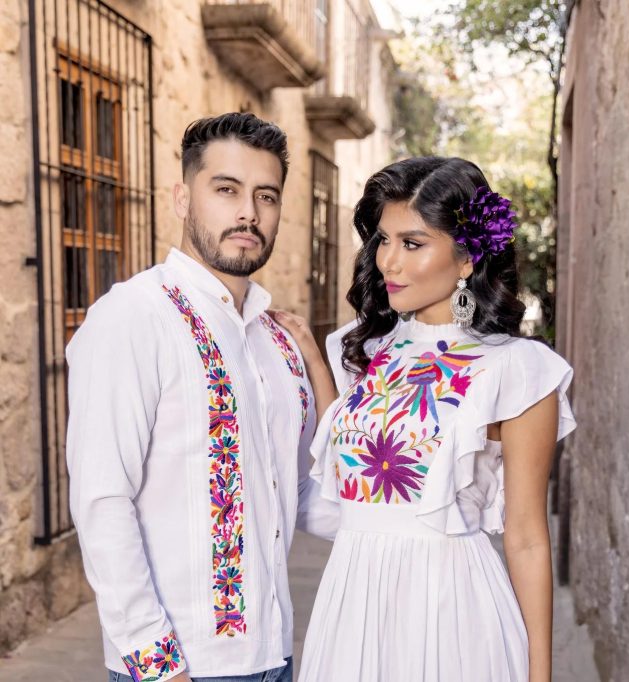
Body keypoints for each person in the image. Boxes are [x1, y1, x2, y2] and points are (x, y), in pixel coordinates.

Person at [275, 156, 576, 682]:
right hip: (352, 607)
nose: (388, 261)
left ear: (466, 259)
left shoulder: (518, 370)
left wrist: (540, 677)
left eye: (412, 244)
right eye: (383, 241)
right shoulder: (370, 349)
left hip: (453, 611)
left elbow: (527, 536)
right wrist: (313, 360)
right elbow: (345, 468)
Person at [67, 112, 335, 682]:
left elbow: (301, 490)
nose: (248, 213)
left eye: (267, 196)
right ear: (182, 198)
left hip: (275, 654)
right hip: (180, 666)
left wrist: (417, 520)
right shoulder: (133, 317)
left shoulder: (275, 341)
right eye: (226, 189)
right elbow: (102, 498)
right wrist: (156, 663)